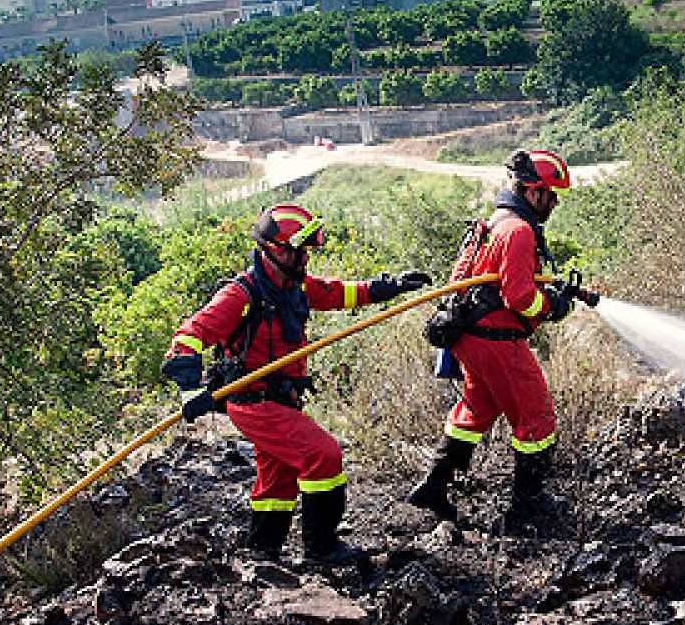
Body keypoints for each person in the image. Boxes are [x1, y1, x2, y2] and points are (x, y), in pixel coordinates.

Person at [161, 203, 430, 564]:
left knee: (278, 480)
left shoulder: (294, 287)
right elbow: (189, 336)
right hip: (253, 401)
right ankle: (321, 548)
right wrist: (191, 390)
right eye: (299, 251)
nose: (305, 258)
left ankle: (262, 552)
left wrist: (388, 287)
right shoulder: (241, 295)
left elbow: (338, 293)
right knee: (324, 455)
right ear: (276, 250)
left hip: (282, 399)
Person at [406, 149, 576, 527]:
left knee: (475, 411)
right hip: (498, 340)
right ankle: (526, 506)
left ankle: (434, 485)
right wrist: (552, 306)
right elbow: (519, 297)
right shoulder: (517, 231)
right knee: (536, 416)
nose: (555, 203)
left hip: (472, 340)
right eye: (552, 195)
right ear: (534, 192)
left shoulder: (492, 224)